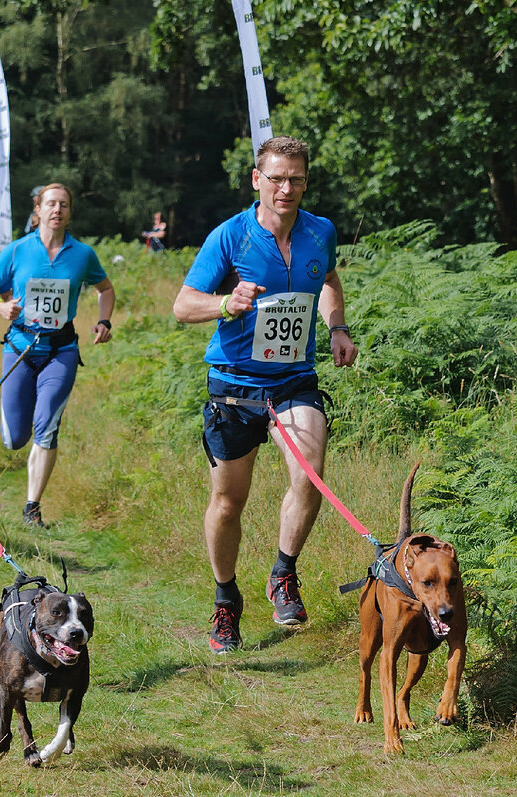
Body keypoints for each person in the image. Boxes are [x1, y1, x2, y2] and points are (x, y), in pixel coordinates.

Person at [171, 135, 358, 653]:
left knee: (311, 472)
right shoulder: (230, 237)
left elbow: (329, 279)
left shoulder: (321, 231)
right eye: (276, 178)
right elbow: (183, 306)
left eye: (296, 179)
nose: (286, 188)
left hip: (294, 379)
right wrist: (226, 304)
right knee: (229, 502)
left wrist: (338, 326)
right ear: (257, 180)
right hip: (234, 386)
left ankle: (283, 573)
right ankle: (226, 601)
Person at [0, 183, 115, 527]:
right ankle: (14, 438)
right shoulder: (18, 250)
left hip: (61, 350)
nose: (57, 210)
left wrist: (103, 320)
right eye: (51, 204)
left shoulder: (82, 254)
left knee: (47, 426)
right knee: (14, 438)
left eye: (64, 205)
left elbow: (105, 288)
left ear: (69, 212)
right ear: (38, 209)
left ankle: (32, 507)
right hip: (20, 348)